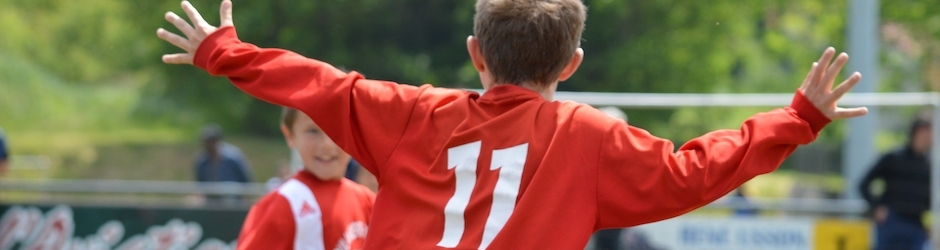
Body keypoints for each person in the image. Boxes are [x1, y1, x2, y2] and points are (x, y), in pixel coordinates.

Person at [157, 0, 867, 248]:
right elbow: (696, 170)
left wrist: (225, 51)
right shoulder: (589, 137)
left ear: (474, 55)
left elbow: (319, 84)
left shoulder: (412, 115)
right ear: (574, 63)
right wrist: (797, 117)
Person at [237, 107, 375, 250]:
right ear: (290, 136)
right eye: (313, 131)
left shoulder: (368, 201)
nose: (327, 144)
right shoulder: (285, 202)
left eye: (337, 129)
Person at [858, 114, 932, 250]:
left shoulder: (930, 165)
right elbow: (864, 183)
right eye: (926, 132)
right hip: (892, 222)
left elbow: (930, 199)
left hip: (916, 224)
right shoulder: (894, 157)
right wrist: (877, 207)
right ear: (916, 132)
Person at [194, 124, 252, 206]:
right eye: (207, 141)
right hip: (210, 201)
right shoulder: (201, 160)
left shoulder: (233, 157)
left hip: (232, 200)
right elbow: (200, 184)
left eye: (212, 140)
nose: (209, 144)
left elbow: (246, 179)